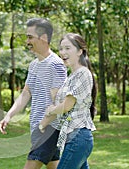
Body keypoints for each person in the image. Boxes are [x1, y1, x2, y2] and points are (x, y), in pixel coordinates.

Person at [0, 18, 67, 169]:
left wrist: (45, 124)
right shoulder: (34, 65)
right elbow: (25, 94)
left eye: (30, 37)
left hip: (49, 128)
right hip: (38, 128)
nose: (27, 41)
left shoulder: (56, 64)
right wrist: (9, 115)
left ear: (43, 38)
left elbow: (60, 100)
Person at [39, 33, 97, 169]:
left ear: (79, 51)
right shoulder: (72, 76)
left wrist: (50, 111)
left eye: (67, 48)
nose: (62, 52)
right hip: (73, 139)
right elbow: (61, 105)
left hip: (78, 138)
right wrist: (43, 124)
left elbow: (66, 106)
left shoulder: (83, 73)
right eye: (61, 49)